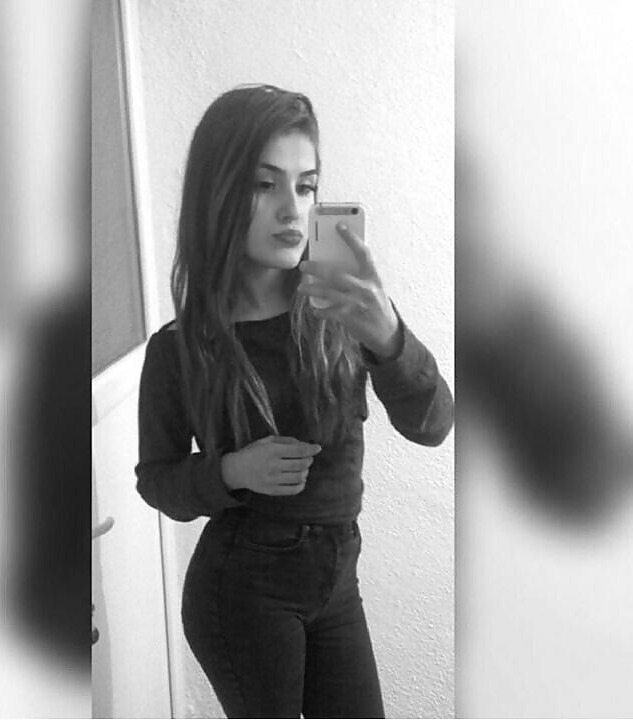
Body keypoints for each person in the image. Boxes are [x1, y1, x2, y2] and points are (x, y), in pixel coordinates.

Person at [135, 84, 453, 719]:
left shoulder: (343, 310)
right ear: (217, 192)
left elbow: (433, 424)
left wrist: (389, 336)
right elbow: (157, 481)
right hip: (243, 589)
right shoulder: (181, 348)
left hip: (337, 579)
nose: (292, 209)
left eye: (306, 187)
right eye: (264, 184)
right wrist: (232, 470)